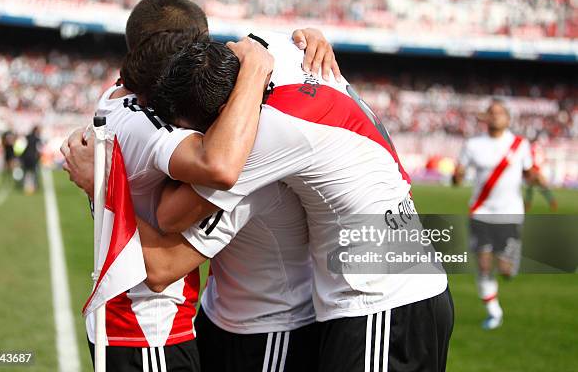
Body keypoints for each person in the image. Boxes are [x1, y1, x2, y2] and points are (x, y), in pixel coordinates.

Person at [135, 35, 453, 372]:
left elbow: (170, 217)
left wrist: (104, 181)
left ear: (226, 116)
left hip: (382, 305)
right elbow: (254, 45)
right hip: (397, 288)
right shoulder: (288, 57)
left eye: (198, 136)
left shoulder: (267, 131)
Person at [61, 0, 339, 372]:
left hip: (147, 324)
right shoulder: (147, 125)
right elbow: (220, 163)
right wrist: (259, 70)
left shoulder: (117, 98)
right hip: (150, 327)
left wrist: (301, 43)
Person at [453, 99, 543, 330]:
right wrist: (457, 176)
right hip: (480, 211)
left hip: (510, 213)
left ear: (508, 119)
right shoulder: (473, 145)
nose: (495, 116)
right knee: (483, 264)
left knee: (505, 270)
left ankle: (509, 264)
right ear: (485, 118)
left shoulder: (520, 145)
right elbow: (459, 175)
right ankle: (494, 312)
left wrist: (537, 178)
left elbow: (529, 173)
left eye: (500, 113)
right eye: (491, 113)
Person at [524, 133, 557, 211]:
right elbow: (542, 159)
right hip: (538, 170)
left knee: (531, 187)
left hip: (534, 170)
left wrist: (533, 170)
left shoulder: (532, 148)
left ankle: (528, 204)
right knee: (538, 187)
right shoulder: (539, 148)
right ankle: (552, 201)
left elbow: (532, 160)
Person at [21, 126, 41, 194]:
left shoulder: (27, 137)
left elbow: (21, 147)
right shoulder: (37, 138)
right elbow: (39, 149)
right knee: (34, 172)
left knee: (25, 172)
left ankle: (24, 185)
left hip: (25, 157)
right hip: (33, 158)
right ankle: (34, 185)